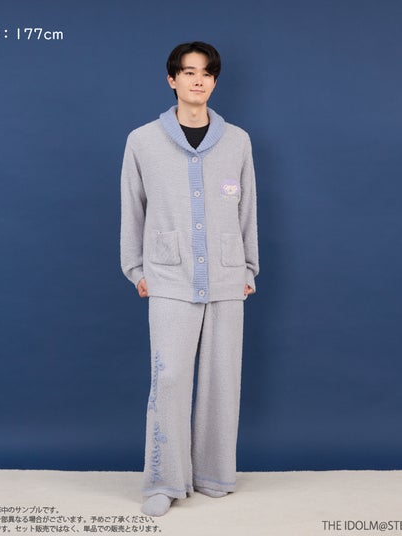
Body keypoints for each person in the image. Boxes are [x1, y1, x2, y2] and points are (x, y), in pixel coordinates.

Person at [120, 41, 259, 516]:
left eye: (207, 73)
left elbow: (247, 208)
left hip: (226, 277)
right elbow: (132, 208)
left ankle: (214, 474)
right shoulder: (142, 141)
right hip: (169, 276)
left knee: (223, 380)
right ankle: (164, 480)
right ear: (172, 79)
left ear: (214, 82)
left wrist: (248, 267)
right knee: (170, 378)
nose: (198, 80)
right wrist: (137, 269)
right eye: (188, 71)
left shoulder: (237, 141)